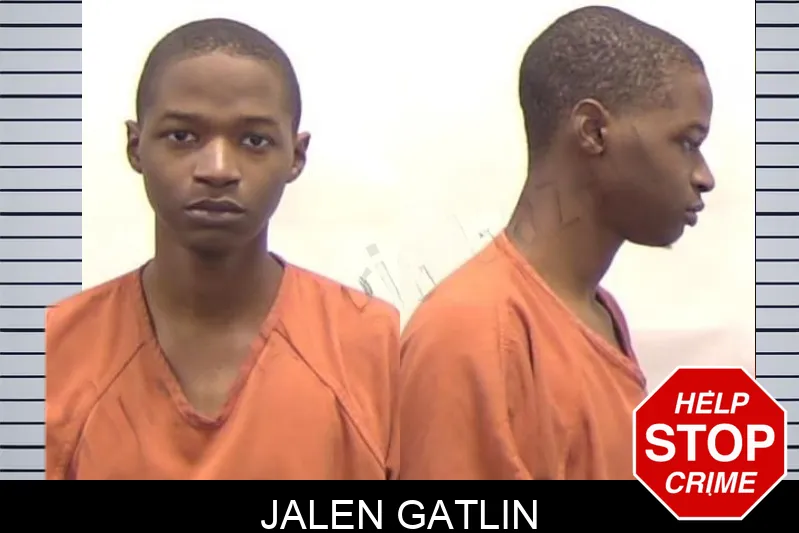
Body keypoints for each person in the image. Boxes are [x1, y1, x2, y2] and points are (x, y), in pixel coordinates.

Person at [45, 18, 399, 480]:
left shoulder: (373, 347)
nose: (217, 169)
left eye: (254, 140)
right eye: (182, 136)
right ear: (136, 146)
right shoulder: (52, 350)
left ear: (295, 157)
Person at [395, 6, 715, 480]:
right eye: (687, 142)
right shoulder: (473, 333)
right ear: (593, 131)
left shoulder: (598, 313)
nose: (704, 176)